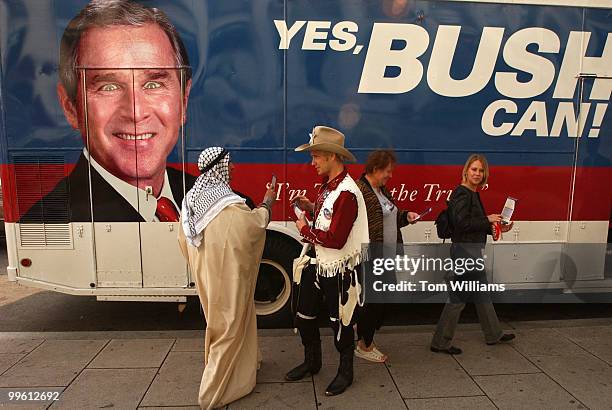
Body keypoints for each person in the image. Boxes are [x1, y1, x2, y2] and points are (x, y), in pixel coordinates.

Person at [21, 0, 194, 223]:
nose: (135, 111)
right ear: (71, 108)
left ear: (183, 100)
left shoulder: (229, 205)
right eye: (108, 87)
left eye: (153, 84)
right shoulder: (47, 224)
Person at [177, 146, 276, 409]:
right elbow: (252, 227)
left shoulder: (191, 201)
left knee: (220, 324)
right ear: (218, 167)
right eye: (229, 164)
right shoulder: (225, 204)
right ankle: (212, 393)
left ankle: (243, 370)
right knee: (229, 326)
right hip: (228, 279)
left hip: (207, 278)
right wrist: (267, 203)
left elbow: (182, 240)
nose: (232, 168)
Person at [285, 125, 369, 396]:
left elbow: (336, 239)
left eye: (317, 156)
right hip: (319, 263)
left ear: (333, 156)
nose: (312, 163)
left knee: (341, 322)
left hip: (339, 268)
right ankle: (312, 362)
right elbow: (329, 217)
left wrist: (303, 228)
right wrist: (311, 207)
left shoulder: (347, 192)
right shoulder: (329, 187)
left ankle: (346, 373)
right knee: (304, 315)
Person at [430, 154, 515, 355]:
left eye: (481, 170)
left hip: (471, 250)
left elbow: (473, 225)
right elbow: (461, 223)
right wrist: (487, 219)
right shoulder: (462, 193)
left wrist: (498, 226)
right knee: (458, 298)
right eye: (474, 169)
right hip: (464, 252)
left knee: (482, 295)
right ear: (466, 170)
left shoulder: (472, 193)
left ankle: (494, 333)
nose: (477, 173)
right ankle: (440, 342)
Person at [355, 149, 420, 362]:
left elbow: (390, 217)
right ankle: (364, 345)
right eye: (387, 171)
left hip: (387, 257)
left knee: (383, 301)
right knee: (374, 302)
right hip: (372, 258)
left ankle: (363, 333)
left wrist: (406, 216)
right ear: (375, 169)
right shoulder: (361, 190)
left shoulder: (382, 190)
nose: (390, 176)